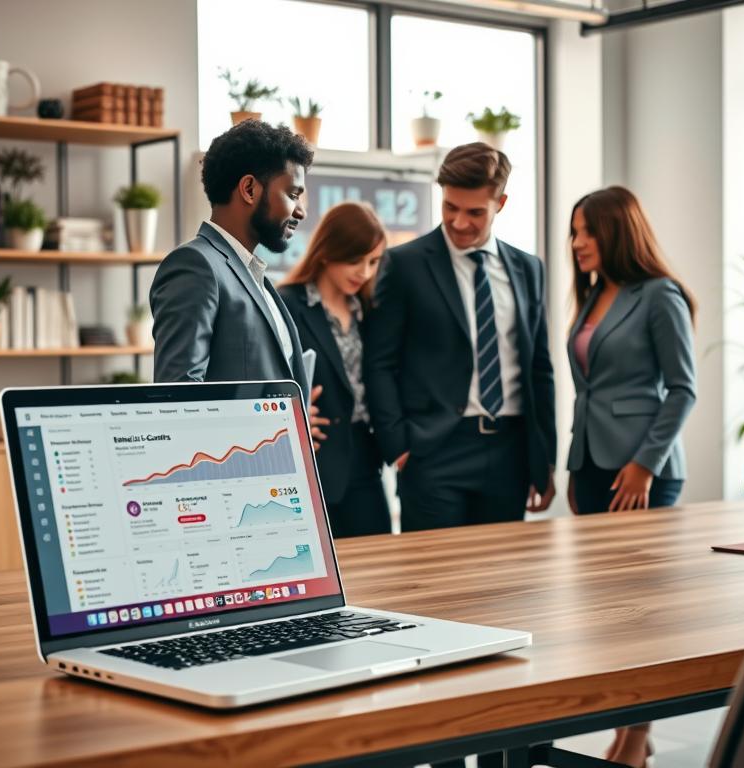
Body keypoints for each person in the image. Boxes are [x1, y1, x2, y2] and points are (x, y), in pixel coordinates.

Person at [567, 185, 697, 767]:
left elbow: (683, 388)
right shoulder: (593, 296)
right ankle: (626, 726)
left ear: (616, 231)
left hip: (643, 472)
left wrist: (645, 465)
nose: (577, 243)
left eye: (586, 232)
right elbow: (588, 391)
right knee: (608, 612)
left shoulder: (658, 295)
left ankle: (638, 737)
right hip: (594, 466)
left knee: (642, 615)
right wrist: (576, 463)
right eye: (574, 232)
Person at [365, 141, 556, 533]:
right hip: (434, 451)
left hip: (510, 451)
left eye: (475, 212)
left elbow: (539, 367)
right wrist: (398, 445)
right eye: (450, 207)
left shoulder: (528, 269)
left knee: (498, 583)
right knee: (432, 584)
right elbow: (379, 361)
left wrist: (544, 458)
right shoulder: (405, 265)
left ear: (500, 203)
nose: (459, 222)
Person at [150, 119, 315, 403]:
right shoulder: (195, 265)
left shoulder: (256, 277)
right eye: (292, 194)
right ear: (249, 189)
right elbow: (178, 396)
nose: (300, 212)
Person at [278, 202, 390, 538]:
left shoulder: (369, 308)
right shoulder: (289, 304)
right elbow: (267, 378)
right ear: (328, 253)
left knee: (378, 568)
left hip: (366, 457)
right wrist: (291, 416)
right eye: (356, 261)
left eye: (373, 262)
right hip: (316, 459)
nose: (365, 272)